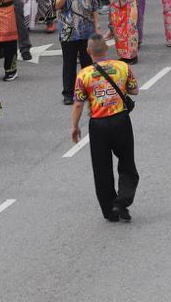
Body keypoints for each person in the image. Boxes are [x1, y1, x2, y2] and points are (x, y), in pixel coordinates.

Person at [72, 33, 139, 223]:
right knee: (127, 163)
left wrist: (74, 127)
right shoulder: (122, 67)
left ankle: (110, 211)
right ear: (107, 49)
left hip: (98, 126)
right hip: (120, 121)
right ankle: (122, 201)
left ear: (88, 52)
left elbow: (78, 104)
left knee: (101, 169)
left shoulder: (83, 75)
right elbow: (134, 90)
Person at [53, 0, 101, 105]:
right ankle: (68, 93)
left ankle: (88, 90)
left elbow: (94, 7)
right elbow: (56, 6)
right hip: (68, 31)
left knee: (87, 63)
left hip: (86, 30)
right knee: (69, 63)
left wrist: (97, 27)